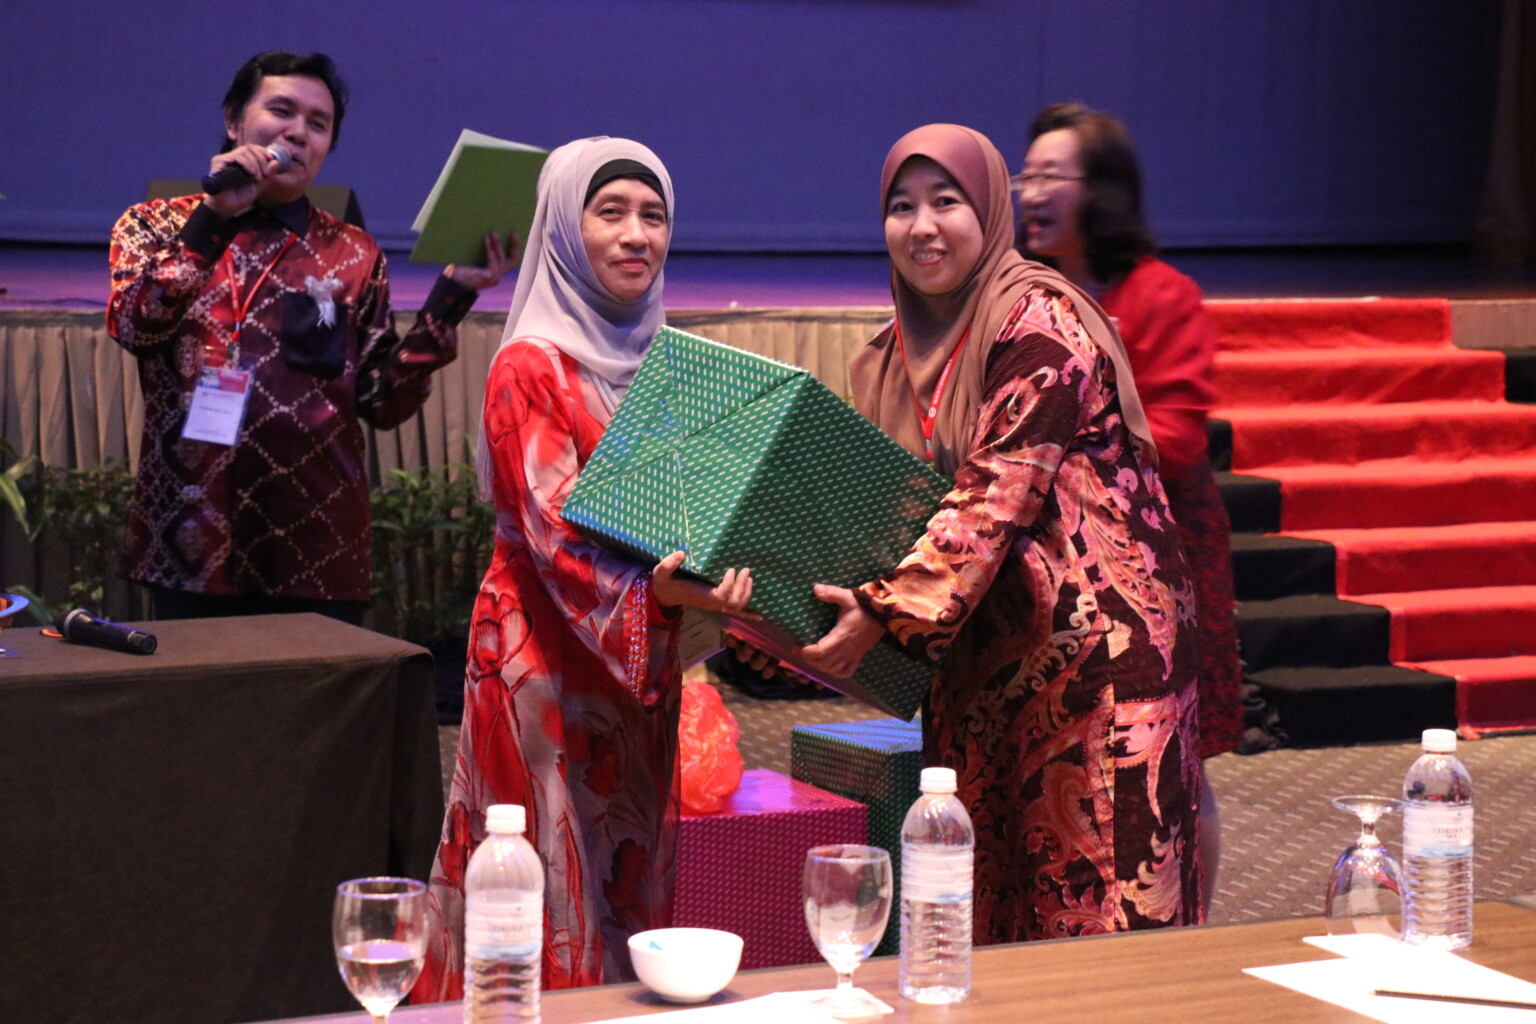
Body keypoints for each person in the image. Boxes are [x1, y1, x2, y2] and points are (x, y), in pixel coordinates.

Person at [803, 124, 1204, 940]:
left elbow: (996, 490)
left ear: (989, 212)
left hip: (1097, 662)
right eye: (901, 207)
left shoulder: (1041, 319)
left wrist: (880, 609)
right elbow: (890, 507)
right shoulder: (893, 355)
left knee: (1098, 917)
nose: (922, 227)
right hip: (981, 663)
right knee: (990, 916)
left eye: (946, 202)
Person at [416, 137, 754, 998]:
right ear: (564, 230)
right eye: (610, 213)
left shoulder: (672, 366)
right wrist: (656, 591)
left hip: (636, 662)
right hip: (541, 664)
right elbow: (552, 534)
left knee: (625, 874)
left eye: (654, 215)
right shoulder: (528, 365)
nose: (637, 234)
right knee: (539, 882)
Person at [107, 50, 514, 624]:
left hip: (318, 547)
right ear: (233, 120)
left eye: (318, 124)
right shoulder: (153, 225)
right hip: (189, 538)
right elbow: (134, 323)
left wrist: (455, 294)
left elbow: (382, 400)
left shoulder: (353, 252)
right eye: (282, 111)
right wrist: (212, 219)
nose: (298, 133)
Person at [1016, 103, 1244, 900]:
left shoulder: (1163, 294)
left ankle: (1190, 932)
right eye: (1025, 175)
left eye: (1052, 176)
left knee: (1177, 763)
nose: (1030, 193)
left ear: (1101, 190)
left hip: (1160, 558)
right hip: (1057, 562)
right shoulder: (1024, 294)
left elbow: (1175, 435)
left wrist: (1057, 432)